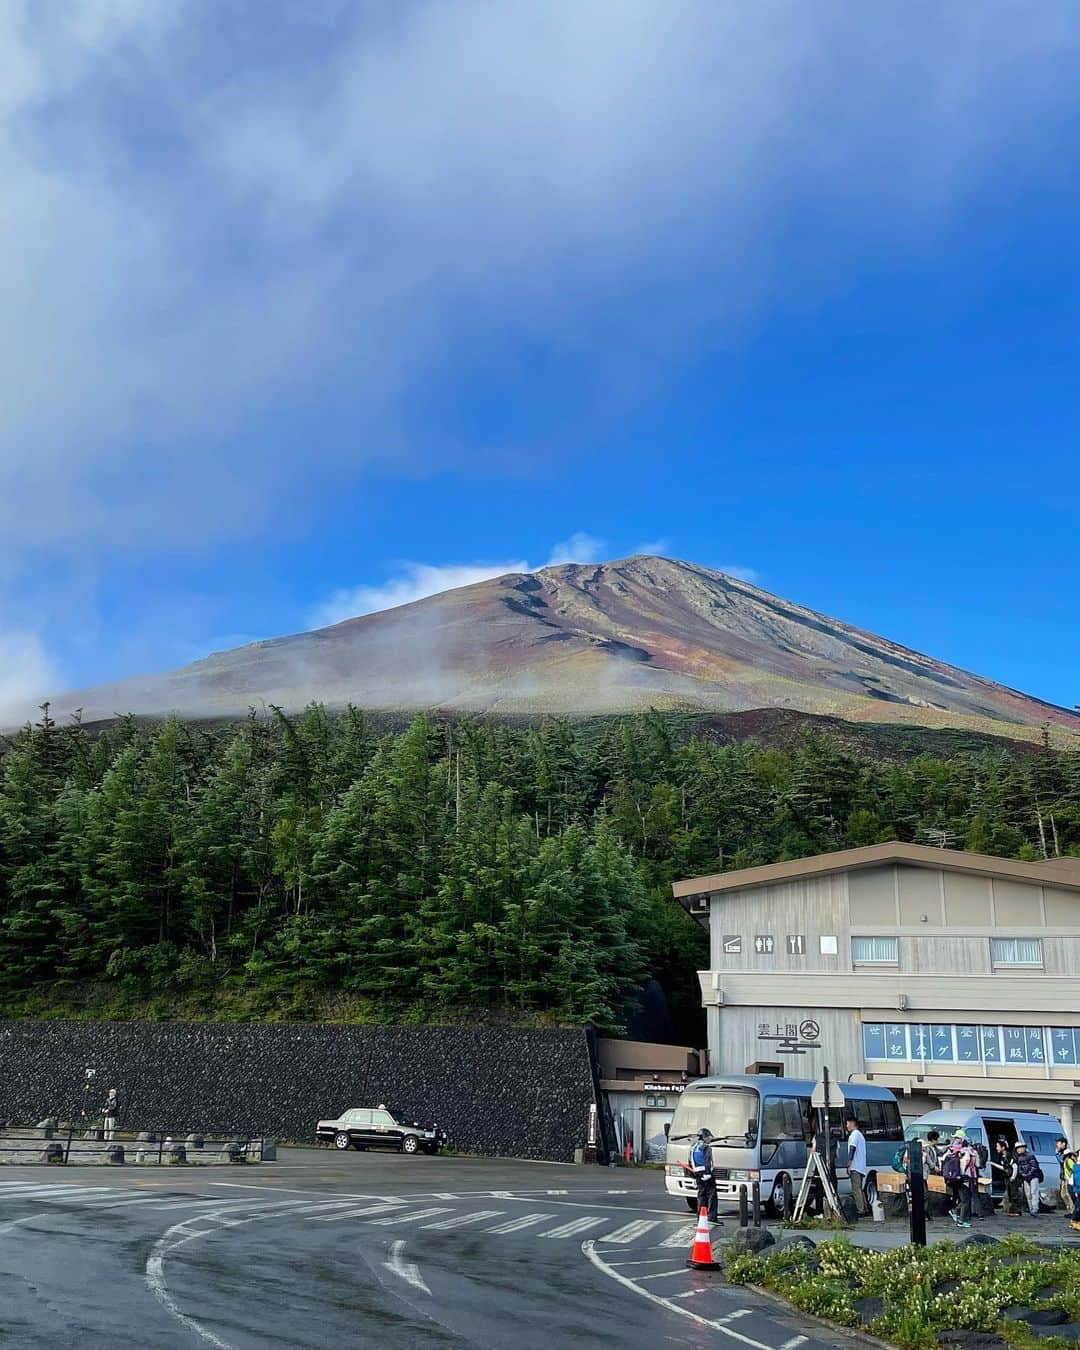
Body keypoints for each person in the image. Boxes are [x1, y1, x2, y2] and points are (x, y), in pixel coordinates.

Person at [943, 1133, 978, 1228]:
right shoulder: (966, 1155)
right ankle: (961, 1221)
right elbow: (976, 1164)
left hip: (956, 1180)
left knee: (963, 1200)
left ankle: (956, 1213)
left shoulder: (953, 1155)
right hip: (964, 1180)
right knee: (965, 1200)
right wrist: (972, 1154)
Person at [689, 1128, 718, 1223]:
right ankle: (712, 1217)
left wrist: (694, 1175)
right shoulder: (706, 1147)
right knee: (712, 1196)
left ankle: (701, 1218)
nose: (710, 1139)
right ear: (705, 1137)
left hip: (697, 1174)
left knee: (701, 1196)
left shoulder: (693, 1147)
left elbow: (690, 1161)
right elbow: (707, 1161)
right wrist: (708, 1173)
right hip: (706, 1174)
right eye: (709, 1137)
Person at [845, 1114, 870, 1217]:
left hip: (855, 1166)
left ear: (851, 1123)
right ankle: (865, 1208)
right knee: (859, 1188)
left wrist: (849, 1164)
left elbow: (852, 1149)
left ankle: (860, 1210)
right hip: (861, 1166)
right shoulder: (860, 1135)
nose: (846, 1126)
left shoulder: (854, 1135)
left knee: (856, 1189)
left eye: (847, 1123)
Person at [1014, 1141, 1045, 1218]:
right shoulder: (1019, 1158)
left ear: (1024, 1148)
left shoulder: (1030, 1156)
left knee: (1034, 1193)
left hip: (1033, 1177)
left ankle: (1035, 1209)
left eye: (1020, 1148)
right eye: (1017, 1148)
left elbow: (1034, 1167)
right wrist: (1023, 1174)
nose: (1018, 1150)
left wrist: (1027, 1174)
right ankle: (1031, 1208)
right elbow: (1019, 1168)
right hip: (1026, 1178)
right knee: (1028, 1194)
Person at [992, 1137, 1021, 1216]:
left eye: (998, 1146)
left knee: (1014, 1194)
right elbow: (1004, 1168)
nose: (996, 1148)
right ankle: (1013, 1210)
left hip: (1012, 1177)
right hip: (1007, 1177)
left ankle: (1017, 1211)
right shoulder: (1003, 1157)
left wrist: (1013, 1177)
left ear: (1003, 1147)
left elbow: (1015, 1166)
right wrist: (993, 1164)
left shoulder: (1009, 1155)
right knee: (1010, 1194)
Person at [1056, 1137, 1075, 1212]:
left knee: (1067, 1194)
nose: (1057, 1145)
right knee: (1063, 1194)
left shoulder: (1067, 1154)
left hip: (1068, 1177)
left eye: (1058, 1143)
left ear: (1063, 1143)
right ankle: (1069, 1210)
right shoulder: (1062, 1153)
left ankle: (1072, 1211)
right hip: (1063, 1177)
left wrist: (1057, 1154)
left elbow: (1062, 1161)